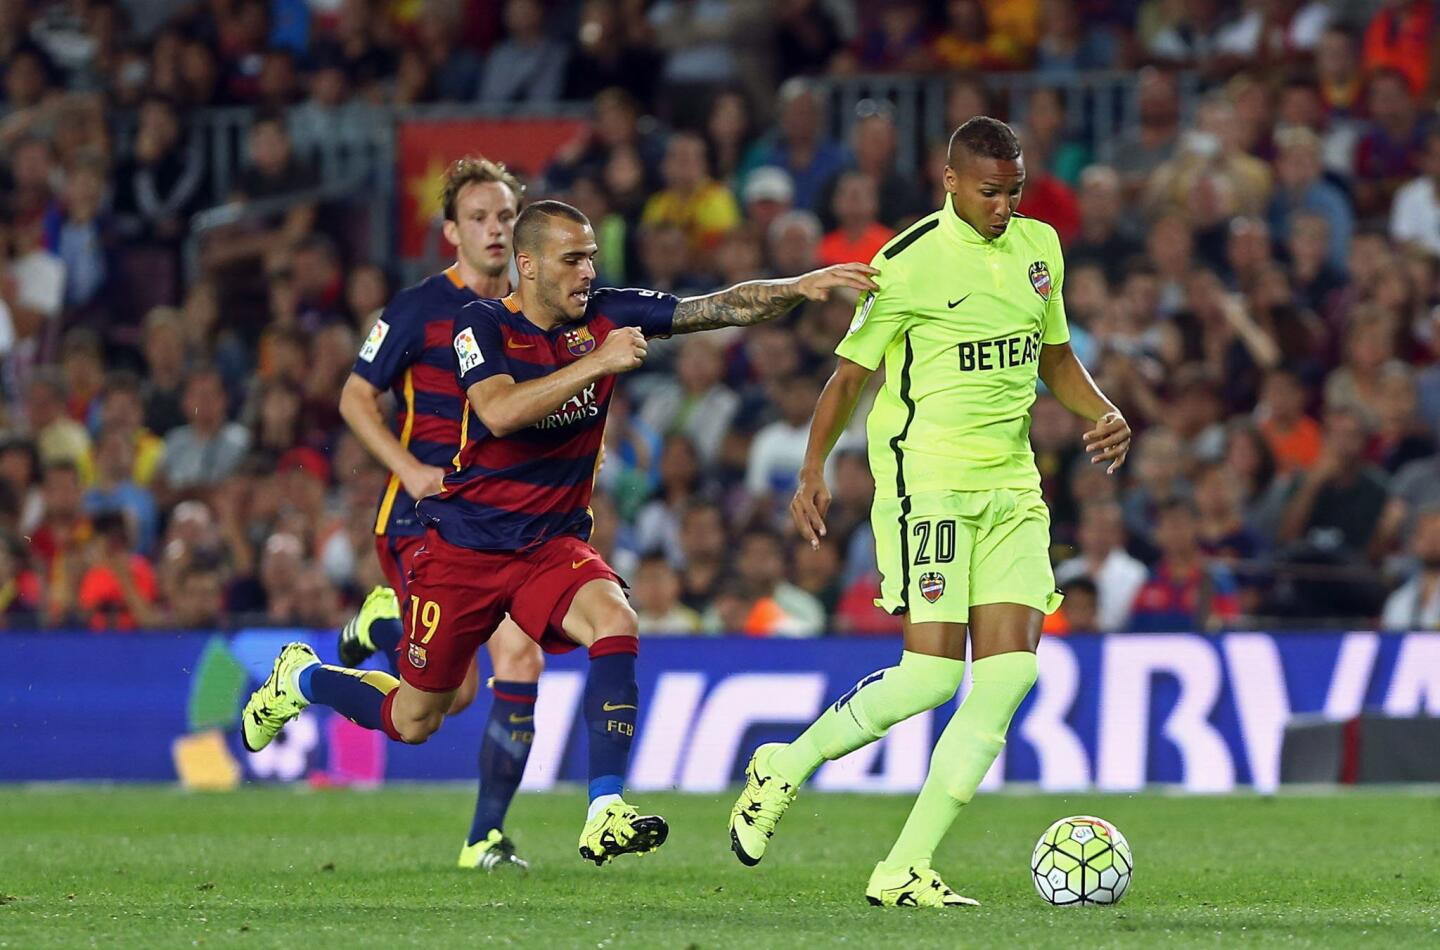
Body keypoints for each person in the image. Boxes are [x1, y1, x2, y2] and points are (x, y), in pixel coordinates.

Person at [241, 199, 877, 866]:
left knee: (616, 619)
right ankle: (303, 678)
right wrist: (596, 365)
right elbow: (500, 409)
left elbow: (717, 307)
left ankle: (604, 808)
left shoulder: (605, 313)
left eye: (591, 257)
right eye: (573, 259)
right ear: (528, 266)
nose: (587, 271)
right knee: (416, 718)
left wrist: (799, 286)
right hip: (463, 548)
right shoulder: (479, 324)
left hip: (550, 543)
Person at [728, 116, 1131, 907]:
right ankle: (783, 764)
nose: (1004, 207)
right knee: (931, 677)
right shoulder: (905, 263)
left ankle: (903, 867)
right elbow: (848, 376)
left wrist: (1101, 409)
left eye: (1014, 191)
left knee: (1011, 673)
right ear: (950, 182)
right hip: (930, 482)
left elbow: (1052, 354)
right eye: (989, 193)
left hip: (1013, 486)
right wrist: (814, 467)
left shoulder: (1042, 249)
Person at [325, 158, 541, 872]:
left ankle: (485, 838)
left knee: (520, 654)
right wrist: (410, 468)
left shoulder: (537, 309)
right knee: (446, 699)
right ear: (451, 231)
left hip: (505, 523)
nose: (494, 230)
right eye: (479, 217)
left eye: (506, 216)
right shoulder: (417, 309)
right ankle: (380, 623)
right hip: (424, 520)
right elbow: (357, 397)